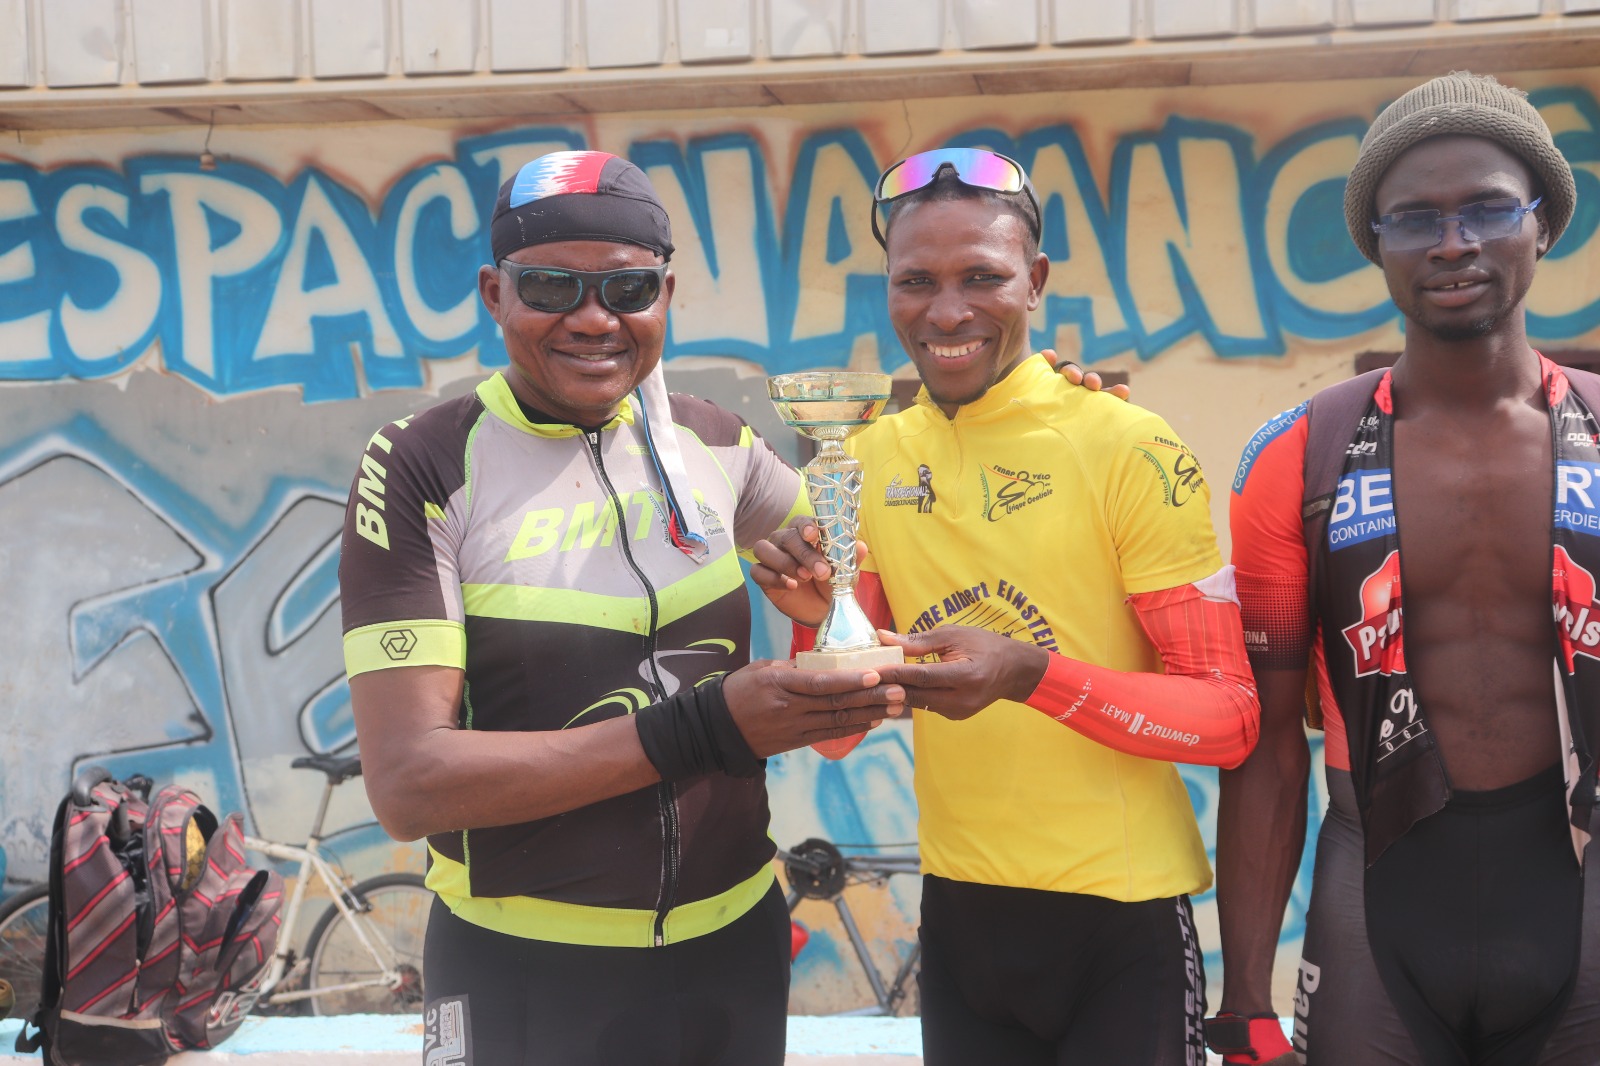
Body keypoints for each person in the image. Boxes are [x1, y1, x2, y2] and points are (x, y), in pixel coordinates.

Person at [336, 149, 908, 1066]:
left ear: (665, 295)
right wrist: (706, 727)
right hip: (522, 968)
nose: (594, 318)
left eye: (628, 288)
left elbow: (858, 586)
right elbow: (409, 785)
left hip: (733, 949)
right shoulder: (422, 465)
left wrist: (1030, 398)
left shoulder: (717, 440)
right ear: (494, 293)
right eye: (550, 287)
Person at [753, 148, 1260, 1065]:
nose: (947, 312)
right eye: (917, 281)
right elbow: (833, 740)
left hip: (1121, 919)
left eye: (982, 277)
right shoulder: (867, 457)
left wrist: (1032, 675)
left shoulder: (1127, 444)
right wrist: (811, 617)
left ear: (1035, 281)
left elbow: (1227, 718)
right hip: (960, 917)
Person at [1216, 72, 1600, 1065]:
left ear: (1543, 225)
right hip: (1376, 889)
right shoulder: (1297, 456)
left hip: (1579, 885)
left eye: (1488, 209)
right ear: (1375, 243)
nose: (1453, 242)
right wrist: (1245, 994)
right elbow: (1266, 742)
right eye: (1415, 219)